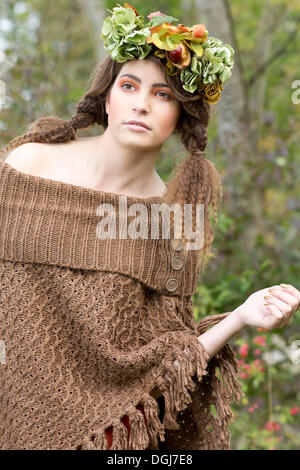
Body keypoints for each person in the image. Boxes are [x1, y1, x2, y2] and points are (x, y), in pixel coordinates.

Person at [0, 4, 299, 451]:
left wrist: (240, 318)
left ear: (182, 115)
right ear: (106, 97)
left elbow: (164, 366)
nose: (141, 102)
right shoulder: (28, 164)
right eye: (129, 85)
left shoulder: (172, 221)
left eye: (163, 94)